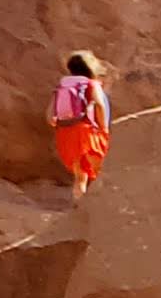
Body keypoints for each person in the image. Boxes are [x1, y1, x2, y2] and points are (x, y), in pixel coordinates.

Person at [49, 50, 116, 193]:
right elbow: (99, 104)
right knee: (101, 171)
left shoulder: (62, 86)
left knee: (80, 177)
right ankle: (101, 206)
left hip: (65, 133)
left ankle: (79, 206)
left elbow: (49, 115)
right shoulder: (91, 84)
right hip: (86, 132)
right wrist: (103, 128)